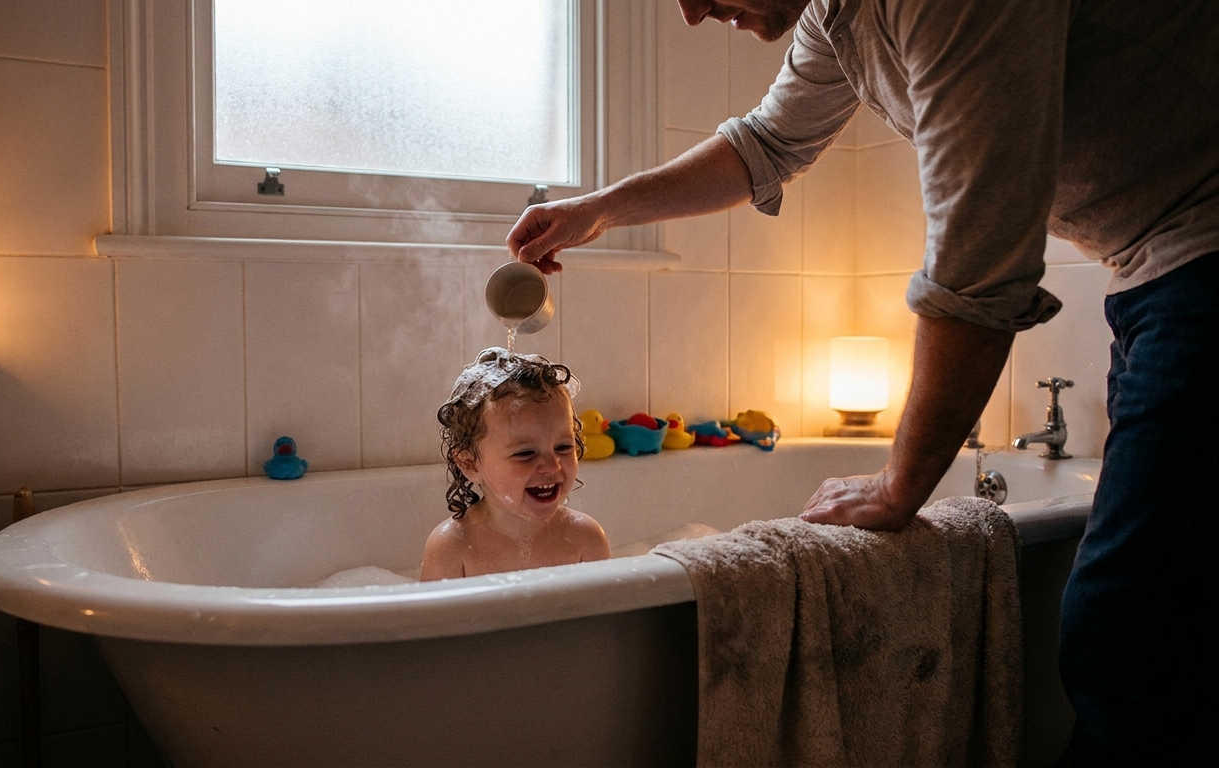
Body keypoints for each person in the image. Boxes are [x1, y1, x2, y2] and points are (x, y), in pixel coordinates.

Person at [506, 0, 1218, 764]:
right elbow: (765, 143)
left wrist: (900, 484)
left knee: (1126, 636)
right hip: (1156, 271)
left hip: (1200, 255)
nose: (689, 12)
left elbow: (978, 264)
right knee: (1161, 617)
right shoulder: (835, 15)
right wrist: (599, 212)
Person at [421, 348, 611, 580]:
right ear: (469, 464)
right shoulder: (452, 548)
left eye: (563, 447)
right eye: (525, 453)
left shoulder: (586, 539)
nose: (553, 466)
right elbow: (437, 618)